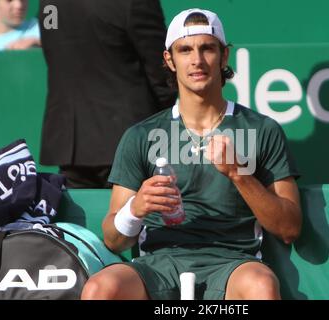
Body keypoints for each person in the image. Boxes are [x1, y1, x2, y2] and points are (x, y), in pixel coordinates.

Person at [81, 8, 302, 300]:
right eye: (185, 50)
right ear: (169, 60)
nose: (197, 60)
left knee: (260, 286)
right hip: (157, 264)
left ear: (224, 56)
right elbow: (113, 239)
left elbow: (288, 228)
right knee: (100, 289)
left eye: (207, 48)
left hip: (233, 263)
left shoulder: (262, 129)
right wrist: (136, 208)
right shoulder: (141, 135)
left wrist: (239, 174)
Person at [38, 0, 177, 188]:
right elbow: (162, 70)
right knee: (133, 215)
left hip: (72, 141)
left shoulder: (50, 5)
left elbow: (54, 49)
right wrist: (163, 117)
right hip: (130, 135)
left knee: (79, 216)